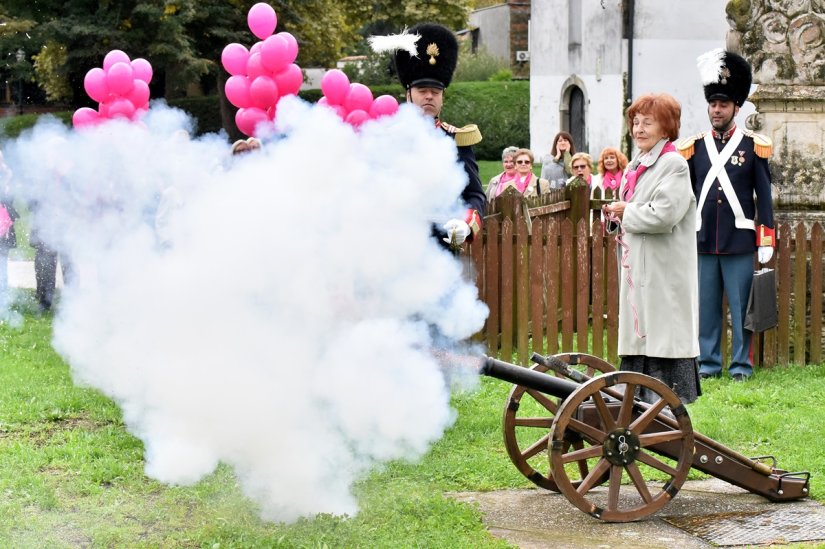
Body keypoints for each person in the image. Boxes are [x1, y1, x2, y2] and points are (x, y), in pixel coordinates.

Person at [678, 50, 775, 382]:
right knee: (706, 310)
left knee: (741, 310)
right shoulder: (694, 147)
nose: (716, 110)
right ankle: (708, 364)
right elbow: (686, 195)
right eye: (713, 104)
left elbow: (764, 196)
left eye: (723, 104)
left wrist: (766, 238)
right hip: (703, 240)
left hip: (740, 241)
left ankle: (741, 367)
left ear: (736, 107)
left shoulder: (753, 146)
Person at [602, 93, 700, 404]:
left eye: (648, 122)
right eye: (635, 122)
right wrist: (616, 217)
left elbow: (665, 214)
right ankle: (640, 403)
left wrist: (625, 212)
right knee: (641, 332)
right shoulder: (636, 164)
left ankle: (668, 408)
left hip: (663, 267)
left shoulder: (673, 164)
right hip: (641, 268)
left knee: (663, 335)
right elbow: (633, 211)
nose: (639, 128)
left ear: (666, 127)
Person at [373, 22, 485, 251]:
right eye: (422, 91)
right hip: (392, 247)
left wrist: (466, 223)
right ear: (408, 94)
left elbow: (475, 195)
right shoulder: (386, 137)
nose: (429, 97)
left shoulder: (456, 139)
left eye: (435, 92)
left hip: (439, 250)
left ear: (442, 97)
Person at [0, 152, 18, 314]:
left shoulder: (7, 176)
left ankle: (2, 298)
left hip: (2, 224)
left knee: (2, 262)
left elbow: (9, 200)